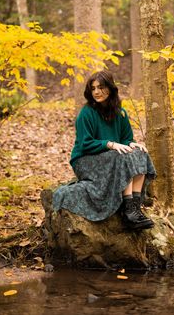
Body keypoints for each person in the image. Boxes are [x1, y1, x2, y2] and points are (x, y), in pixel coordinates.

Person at [53, 70, 156, 230]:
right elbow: (85, 144)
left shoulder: (121, 113)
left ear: (110, 88)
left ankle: (134, 209)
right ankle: (128, 211)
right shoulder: (86, 113)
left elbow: (126, 139)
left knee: (140, 153)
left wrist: (133, 144)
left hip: (110, 157)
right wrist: (109, 144)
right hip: (85, 160)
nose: (96, 92)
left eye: (101, 87)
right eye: (93, 88)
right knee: (120, 155)